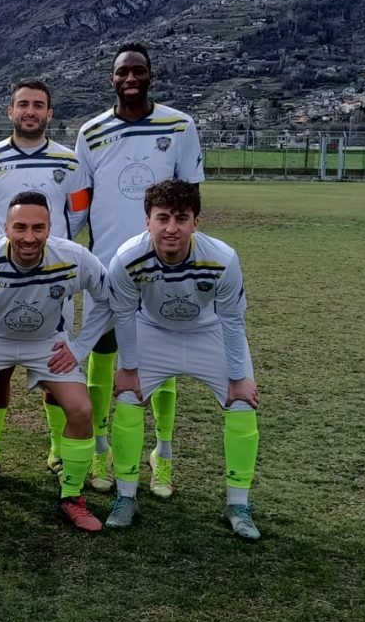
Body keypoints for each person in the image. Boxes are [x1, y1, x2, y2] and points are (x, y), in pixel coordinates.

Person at [74, 42, 205, 498]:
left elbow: (189, 201)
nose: (130, 78)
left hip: (164, 268)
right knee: (103, 359)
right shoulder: (90, 132)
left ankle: (162, 454)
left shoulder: (180, 125)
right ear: (112, 79)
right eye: (121, 73)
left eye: (138, 71)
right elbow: (79, 203)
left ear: (150, 75)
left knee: (160, 364)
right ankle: (99, 449)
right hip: (108, 268)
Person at [0, 192, 110, 529]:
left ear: (50, 228)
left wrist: (79, 348)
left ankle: (72, 495)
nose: (29, 237)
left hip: (46, 341)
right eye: (20, 227)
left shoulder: (74, 258)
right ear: (6, 228)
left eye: (38, 228)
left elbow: (108, 298)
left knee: (81, 410)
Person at [104, 180, 261, 540]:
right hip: (152, 332)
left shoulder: (222, 258)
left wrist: (239, 377)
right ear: (148, 222)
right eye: (162, 218)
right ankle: (126, 497)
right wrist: (128, 370)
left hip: (209, 334)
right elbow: (124, 315)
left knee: (242, 404)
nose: (171, 228)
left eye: (181, 218)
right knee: (128, 399)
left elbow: (233, 320)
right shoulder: (127, 257)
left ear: (196, 222)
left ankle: (238, 504)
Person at [0, 79, 90, 488]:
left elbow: (76, 219)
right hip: (1, 283)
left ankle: (58, 450)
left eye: (39, 105)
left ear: (49, 113)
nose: (30, 111)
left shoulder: (70, 161)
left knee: (57, 366)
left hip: (53, 281)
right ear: (10, 111)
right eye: (23, 104)